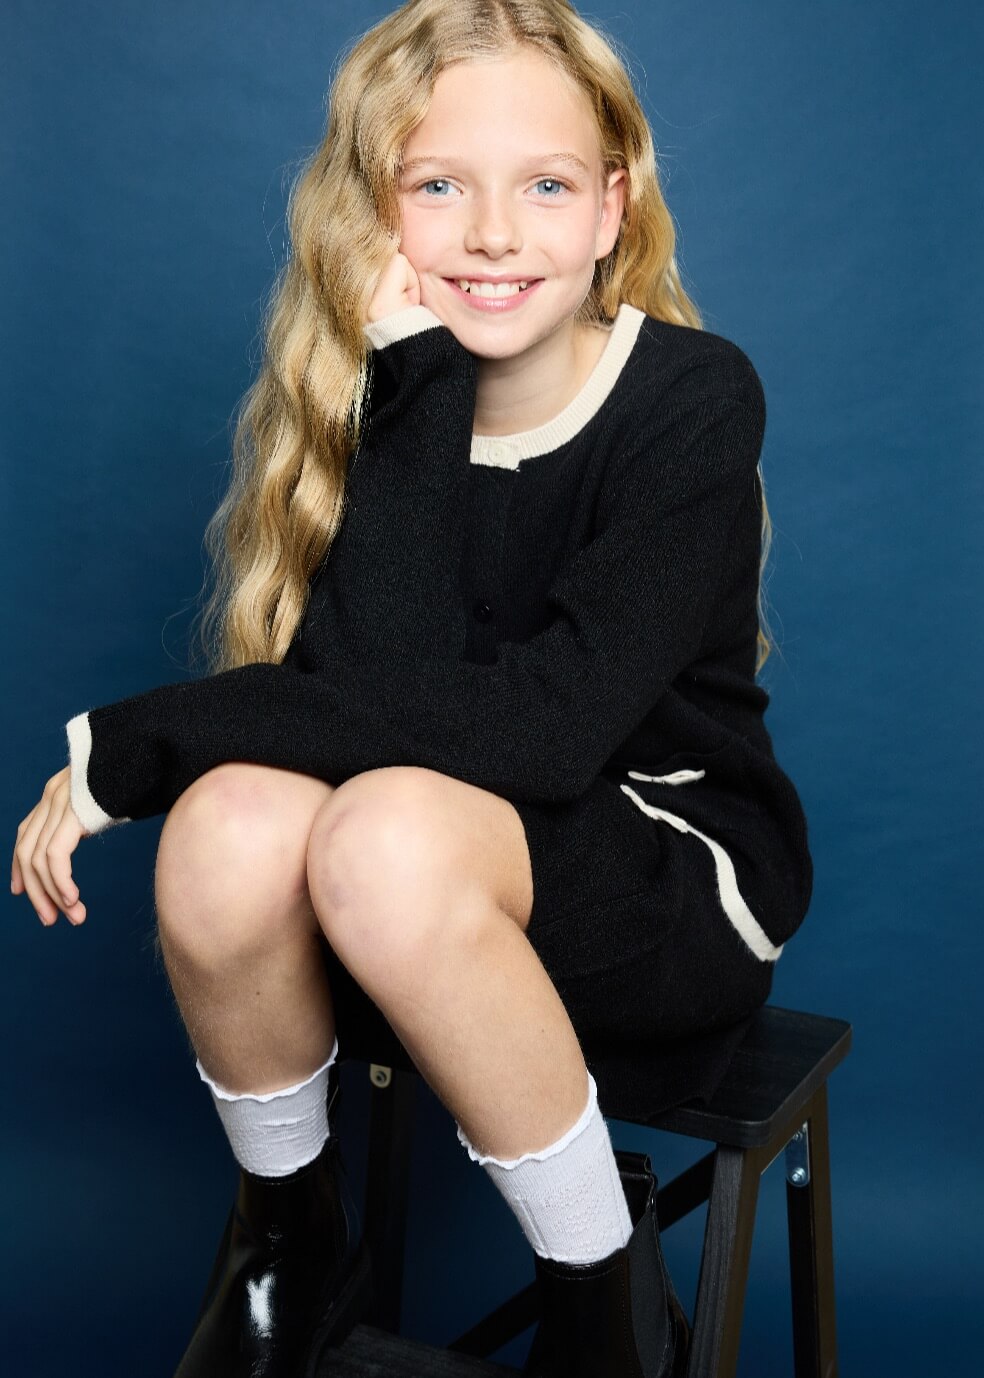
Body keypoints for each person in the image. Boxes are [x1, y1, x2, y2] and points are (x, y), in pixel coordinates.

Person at [10, 1, 813, 1374]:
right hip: (413, 899)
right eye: (439, 186)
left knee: (375, 825)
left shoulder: (693, 396)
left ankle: (602, 1298)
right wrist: (417, 389)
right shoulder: (392, 399)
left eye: (544, 186)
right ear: (372, 213)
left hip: (666, 888)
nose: (493, 234)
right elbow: (370, 698)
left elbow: (544, 735)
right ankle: (286, 1240)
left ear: (612, 207)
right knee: (229, 822)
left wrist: (139, 742)